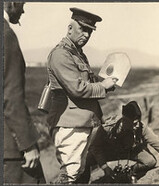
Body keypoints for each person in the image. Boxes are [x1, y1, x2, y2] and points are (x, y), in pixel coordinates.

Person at [46, 7, 117, 184]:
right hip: (69, 124)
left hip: (80, 123)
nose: (86, 35)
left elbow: (85, 87)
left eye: (89, 31)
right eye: (82, 29)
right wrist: (103, 86)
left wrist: (103, 89)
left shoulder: (77, 54)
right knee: (70, 174)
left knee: (79, 172)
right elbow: (77, 88)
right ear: (70, 28)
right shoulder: (61, 54)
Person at [79, 101, 159, 183]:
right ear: (125, 119)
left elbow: (157, 142)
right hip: (110, 152)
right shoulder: (108, 128)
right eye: (134, 123)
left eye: (138, 122)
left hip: (130, 151)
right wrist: (105, 167)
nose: (137, 126)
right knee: (85, 161)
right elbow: (95, 147)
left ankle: (130, 172)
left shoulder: (141, 127)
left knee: (150, 161)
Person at [3, 2, 45, 184]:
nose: (23, 9)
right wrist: (28, 145)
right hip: (9, 150)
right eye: (22, 3)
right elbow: (11, 98)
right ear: (11, 3)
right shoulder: (6, 36)